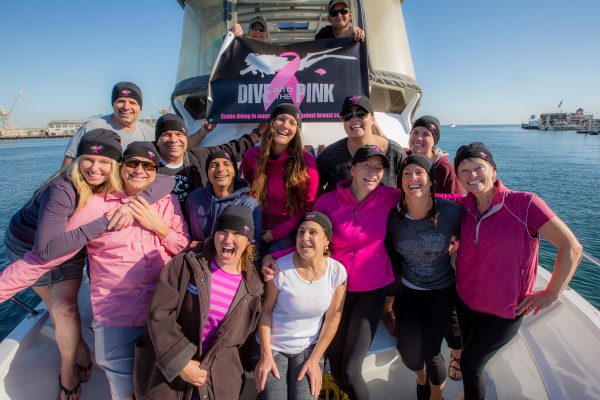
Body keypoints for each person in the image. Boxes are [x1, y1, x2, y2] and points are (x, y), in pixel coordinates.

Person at [1, 142, 190, 400]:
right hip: (118, 314)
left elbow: (182, 246)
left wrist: (160, 228)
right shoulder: (94, 208)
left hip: (164, 310)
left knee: (164, 389)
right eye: (132, 163)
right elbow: (41, 260)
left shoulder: (166, 201)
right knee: (124, 393)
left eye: (148, 165)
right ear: (120, 167)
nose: (139, 170)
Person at [452, 142, 581, 400]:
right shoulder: (462, 206)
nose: (471, 175)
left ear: (494, 171)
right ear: (458, 178)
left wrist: (552, 292)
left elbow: (571, 247)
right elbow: (422, 198)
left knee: (470, 365)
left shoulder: (525, 204)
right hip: (466, 302)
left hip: (505, 310)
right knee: (469, 353)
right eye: (464, 170)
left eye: (478, 167)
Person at [3, 129, 123, 400]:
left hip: (72, 245)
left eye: (104, 161)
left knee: (65, 308)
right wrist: (102, 223)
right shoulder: (62, 187)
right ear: (77, 159)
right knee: (56, 306)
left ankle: (74, 352)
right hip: (27, 245)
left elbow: (160, 184)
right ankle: (68, 368)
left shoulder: (112, 186)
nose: (95, 167)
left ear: (115, 165)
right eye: (88, 159)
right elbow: (45, 251)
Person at [133, 205, 263, 400]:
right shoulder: (186, 264)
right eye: (223, 232)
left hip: (216, 385)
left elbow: (243, 341)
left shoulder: (253, 287)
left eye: (237, 233)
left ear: (247, 241)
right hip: (168, 381)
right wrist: (181, 362)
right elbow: (160, 314)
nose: (228, 240)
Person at [312, 145, 401, 400]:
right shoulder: (327, 202)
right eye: (366, 166)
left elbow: (426, 196)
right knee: (337, 367)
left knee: (351, 371)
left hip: (371, 291)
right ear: (352, 168)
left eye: (378, 168)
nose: (372, 172)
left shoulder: (389, 197)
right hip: (335, 293)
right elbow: (308, 237)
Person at [385, 155, 461, 400]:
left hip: (442, 291)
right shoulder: (393, 218)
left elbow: (477, 233)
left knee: (431, 351)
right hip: (409, 290)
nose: (412, 178)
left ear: (431, 181)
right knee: (409, 351)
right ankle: (421, 380)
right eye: (407, 174)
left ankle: (434, 397)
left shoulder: (450, 212)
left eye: (419, 173)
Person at [253, 211, 347, 400]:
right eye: (301, 232)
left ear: (326, 240)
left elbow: (333, 317)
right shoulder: (280, 269)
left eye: (313, 233)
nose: (305, 238)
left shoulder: (337, 272)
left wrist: (315, 360)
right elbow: (266, 312)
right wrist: (266, 355)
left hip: (308, 348)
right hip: (273, 345)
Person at [403, 115, 465, 381]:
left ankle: (457, 354)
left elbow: (458, 203)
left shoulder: (444, 168)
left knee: (449, 307)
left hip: (443, 247)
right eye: (415, 132)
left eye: (425, 134)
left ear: (434, 140)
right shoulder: (407, 161)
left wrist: (451, 238)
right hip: (416, 242)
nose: (419, 138)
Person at [241, 103, 319, 254]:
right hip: (257, 225)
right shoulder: (252, 156)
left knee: (273, 255)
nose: (285, 126)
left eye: (292, 123)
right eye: (281, 119)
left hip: (289, 231)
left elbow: (308, 207)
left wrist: (275, 234)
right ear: (271, 123)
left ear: (296, 130)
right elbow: (248, 192)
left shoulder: (307, 162)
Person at [155, 113, 260, 204]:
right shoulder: (147, 164)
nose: (173, 139)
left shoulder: (198, 157)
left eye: (179, 134)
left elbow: (234, 149)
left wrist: (259, 132)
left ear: (186, 139)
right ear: (157, 140)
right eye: (166, 134)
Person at [316, 95, 406, 193]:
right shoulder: (329, 155)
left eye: (361, 113)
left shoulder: (394, 152)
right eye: (348, 115)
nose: (354, 118)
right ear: (342, 121)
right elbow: (312, 189)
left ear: (372, 119)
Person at [62, 82, 154, 166]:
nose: (126, 107)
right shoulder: (91, 127)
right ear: (112, 104)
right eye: (120, 101)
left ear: (140, 107)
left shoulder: (149, 133)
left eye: (132, 102)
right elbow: (66, 167)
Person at [185, 150, 262, 249]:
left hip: (231, 262)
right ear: (207, 173)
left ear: (235, 171)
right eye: (214, 165)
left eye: (226, 164)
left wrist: (205, 246)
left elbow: (254, 245)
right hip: (196, 260)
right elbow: (185, 232)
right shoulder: (194, 199)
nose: (221, 169)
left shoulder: (249, 205)